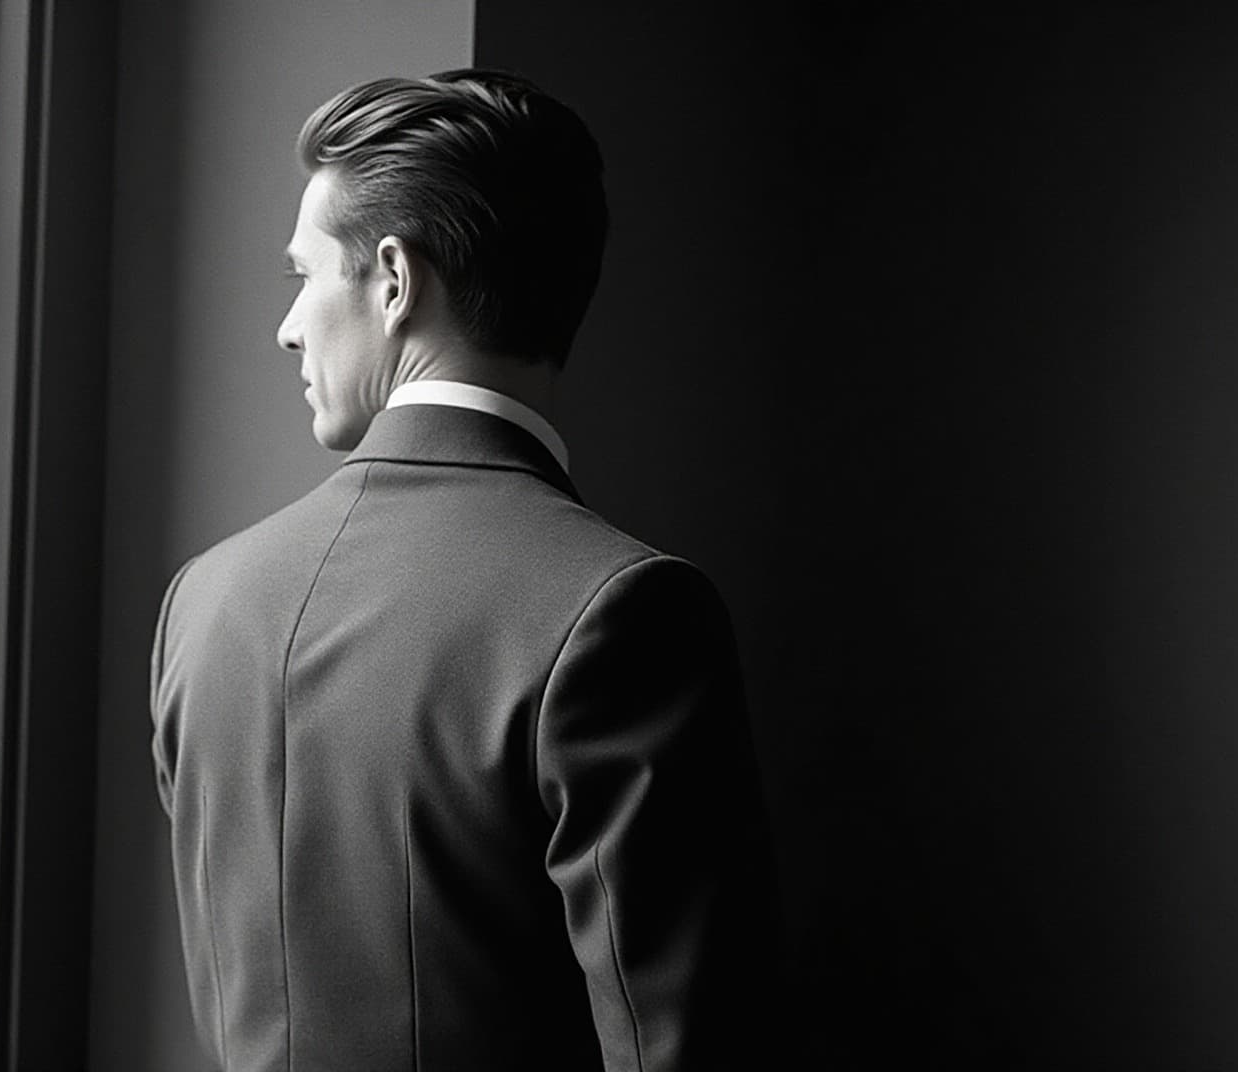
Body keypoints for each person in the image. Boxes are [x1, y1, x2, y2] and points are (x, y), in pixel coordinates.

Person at [149, 68, 775, 1071]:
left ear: (394, 281)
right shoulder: (623, 610)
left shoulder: (206, 599)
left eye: (303, 274)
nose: (289, 324)